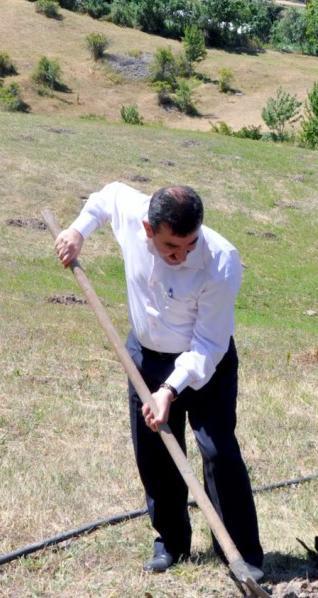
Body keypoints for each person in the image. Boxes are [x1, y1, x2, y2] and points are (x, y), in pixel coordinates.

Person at [54, 182, 264, 576]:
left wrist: (169, 389)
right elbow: (106, 197)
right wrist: (77, 231)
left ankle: (241, 554)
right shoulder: (134, 212)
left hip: (205, 364)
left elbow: (209, 343)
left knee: (218, 450)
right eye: (171, 247)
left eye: (190, 243)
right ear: (148, 229)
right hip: (146, 356)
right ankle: (171, 543)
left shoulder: (220, 260)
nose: (182, 255)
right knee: (154, 453)